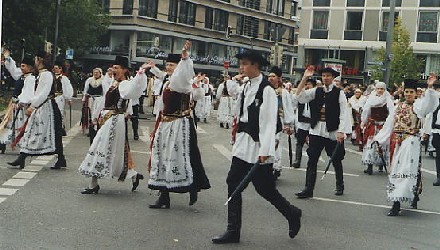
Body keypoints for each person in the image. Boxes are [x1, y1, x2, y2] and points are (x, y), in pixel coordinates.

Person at [212, 50, 301, 244]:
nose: (241, 67)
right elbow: (239, 110)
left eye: (245, 64)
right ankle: (233, 230)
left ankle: (292, 213)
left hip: (258, 145)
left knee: (265, 189)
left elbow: (270, 122)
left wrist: (265, 152)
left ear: (255, 66)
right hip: (243, 142)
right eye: (241, 64)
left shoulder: (266, 90)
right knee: (233, 182)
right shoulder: (245, 86)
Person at [148, 41, 211, 209]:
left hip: (180, 125)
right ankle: (164, 196)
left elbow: (184, 76)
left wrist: (185, 57)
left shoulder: (181, 82)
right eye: (167, 64)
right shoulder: (169, 81)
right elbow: (162, 80)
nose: (168, 67)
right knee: (162, 157)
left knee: (186, 157)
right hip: (166, 123)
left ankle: (192, 186)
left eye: (172, 65)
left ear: (179, 66)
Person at [78, 56, 146, 194]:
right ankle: (132, 176)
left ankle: (94, 184)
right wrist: (96, 116)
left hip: (116, 120)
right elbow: (105, 101)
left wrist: (140, 73)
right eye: (113, 67)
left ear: (124, 70)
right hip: (108, 119)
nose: (113, 70)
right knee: (110, 150)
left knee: (104, 148)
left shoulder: (125, 84)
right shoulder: (114, 83)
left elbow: (131, 93)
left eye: (116, 68)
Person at [373, 77, 438, 216]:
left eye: (411, 92)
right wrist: (379, 139)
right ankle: (397, 200)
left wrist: (430, 88)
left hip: (411, 141)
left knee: (407, 170)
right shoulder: (398, 106)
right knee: (395, 170)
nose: (408, 94)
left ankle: (401, 201)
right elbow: (389, 124)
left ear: (415, 93)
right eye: (406, 91)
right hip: (397, 142)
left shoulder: (418, 106)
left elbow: (430, 104)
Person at [294, 66, 350, 198]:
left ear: (333, 77)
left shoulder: (339, 93)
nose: (326, 78)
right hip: (316, 129)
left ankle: (339, 184)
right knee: (312, 160)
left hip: (332, 130)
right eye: (324, 76)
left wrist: (341, 131)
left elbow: (343, 113)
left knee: (336, 159)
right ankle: (308, 189)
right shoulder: (316, 91)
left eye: (328, 76)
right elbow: (300, 97)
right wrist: (305, 78)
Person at [7, 51, 66, 169]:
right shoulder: (41, 74)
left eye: (35, 59)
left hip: (47, 107)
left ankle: (60, 159)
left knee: (53, 134)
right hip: (41, 107)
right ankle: (22, 157)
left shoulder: (47, 75)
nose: (34, 62)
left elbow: (43, 93)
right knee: (31, 131)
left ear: (40, 60)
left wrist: (33, 106)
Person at [0, 52, 36, 154]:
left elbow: (29, 93)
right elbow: (13, 70)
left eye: (24, 66)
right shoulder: (21, 75)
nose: (21, 68)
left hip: (22, 105)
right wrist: (7, 58)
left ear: (30, 68)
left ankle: (23, 146)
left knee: (20, 125)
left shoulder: (31, 79)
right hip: (15, 103)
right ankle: (2, 143)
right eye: (21, 66)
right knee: (8, 123)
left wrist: (22, 101)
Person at [360, 81, 394, 175]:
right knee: (370, 144)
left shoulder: (388, 99)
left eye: (382, 89)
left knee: (382, 144)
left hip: (383, 125)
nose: (380, 90)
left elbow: (392, 113)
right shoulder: (371, 99)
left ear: (384, 89)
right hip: (373, 125)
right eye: (378, 88)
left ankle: (381, 165)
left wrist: (389, 124)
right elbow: (366, 111)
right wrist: (364, 121)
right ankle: (369, 166)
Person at [267, 66, 295, 178]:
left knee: (276, 143)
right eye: (269, 76)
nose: (270, 78)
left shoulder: (283, 93)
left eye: (273, 76)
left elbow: (288, 108)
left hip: (279, 121)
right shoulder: (265, 90)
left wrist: (288, 124)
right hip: (266, 121)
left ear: (279, 78)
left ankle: (276, 167)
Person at [292, 78, 316, 168]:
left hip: (313, 123)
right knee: (299, 142)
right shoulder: (300, 96)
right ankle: (297, 160)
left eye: (309, 84)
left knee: (313, 144)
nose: (307, 86)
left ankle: (312, 161)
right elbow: (293, 102)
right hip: (302, 123)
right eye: (305, 84)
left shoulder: (316, 96)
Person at [53, 61, 74, 136]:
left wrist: (69, 98)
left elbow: (67, 88)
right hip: (52, 97)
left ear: (60, 69)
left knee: (60, 112)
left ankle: (60, 128)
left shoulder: (64, 78)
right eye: (54, 68)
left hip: (60, 97)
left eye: (56, 68)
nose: (55, 70)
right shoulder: (51, 77)